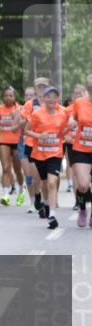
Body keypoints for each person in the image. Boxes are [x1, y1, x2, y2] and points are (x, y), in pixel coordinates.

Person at [24, 86, 70, 229]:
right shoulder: (37, 114)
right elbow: (25, 131)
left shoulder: (62, 114)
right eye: (48, 97)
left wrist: (69, 131)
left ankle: (52, 215)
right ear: (44, 99)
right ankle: (46, 203)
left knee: (51, 182)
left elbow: (62, 132)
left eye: (54, 97)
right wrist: (39, 136)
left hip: (55, 153)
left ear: (58, 99)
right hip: (40, 153)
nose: (51, 99)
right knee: (44, 183)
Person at [20, 79, 51, 217]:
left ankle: (46, 203)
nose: (41, 89)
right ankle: (37, 196)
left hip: (47, 146)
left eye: (44, 86)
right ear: (36, 89)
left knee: (46, 179)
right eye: (39, 87)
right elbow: (23, 122)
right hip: (32, 144)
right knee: (36, 177)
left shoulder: (52, 104)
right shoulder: (30, 104)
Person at [0, 88, 26, 206]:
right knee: (5, 168)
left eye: (10, 96)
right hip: (4, 140)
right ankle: (6, 195)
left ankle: (21, 190)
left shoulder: (20, 108)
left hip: (17, 141)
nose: (8, 98)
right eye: (6, 95)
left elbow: (24, 123)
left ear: (15, 97)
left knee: (18, 169)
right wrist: (0, 127)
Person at [67, 85, 92, 228]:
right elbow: (72, 115)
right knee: (83, 185)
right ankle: (82, 209)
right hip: (81, 148)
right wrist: (71, 120)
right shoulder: (80, 103)